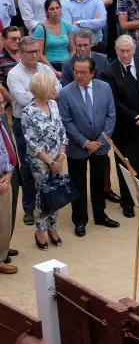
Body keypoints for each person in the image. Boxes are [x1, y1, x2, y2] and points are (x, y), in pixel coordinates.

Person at [57, 54, 116, 238]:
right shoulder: (65, 92)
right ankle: (80, 220)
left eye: (83, 72)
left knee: (99, 182)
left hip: (100, 145)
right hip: (77, 147)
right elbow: (66, 122)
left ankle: (100, 215)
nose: (79, 76)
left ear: (92, 73)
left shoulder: (104, 88)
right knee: (78, 185)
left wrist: (100, 141)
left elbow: (111, 115)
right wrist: (85, 142)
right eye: (76, 72)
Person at [22, 67, 66, 249]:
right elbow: (32, 142)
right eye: (52, 87)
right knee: (43, 195)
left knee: (56, 194)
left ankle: (52, 227)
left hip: (58, 158)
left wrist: (62, 155)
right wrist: (51, 162)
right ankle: (40, 229)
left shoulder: (54, 105)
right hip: (41, 162)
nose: (55, 90)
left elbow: (62, 130)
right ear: (42, 89)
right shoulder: (28, 112)